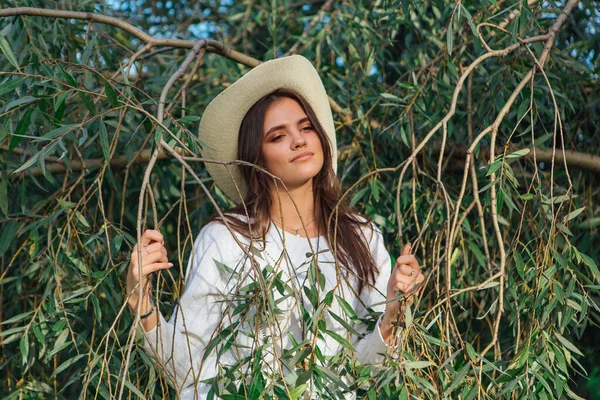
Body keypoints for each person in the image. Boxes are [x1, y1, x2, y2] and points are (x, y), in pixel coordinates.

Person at [125, 55, 425, 399]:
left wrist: (392, 314)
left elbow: (364, 375)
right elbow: (190, 368)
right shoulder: (228, 240)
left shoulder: (360, 236)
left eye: (306, 127)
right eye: (278, 136)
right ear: (256, 156)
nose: (299, 141)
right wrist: (140, 300)